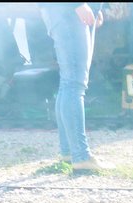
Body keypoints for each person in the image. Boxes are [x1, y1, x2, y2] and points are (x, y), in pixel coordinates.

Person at [39, 3, 104, 172]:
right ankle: (81, 156)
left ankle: (69, 152)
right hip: (67, 12)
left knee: (68, 83)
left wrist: (94, 8)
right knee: (74, 84)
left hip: (63, 12)